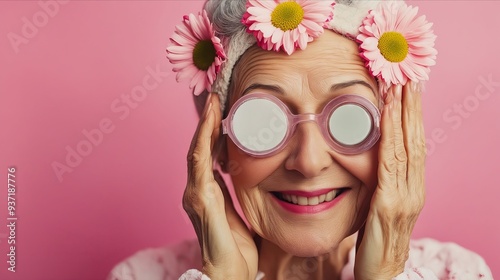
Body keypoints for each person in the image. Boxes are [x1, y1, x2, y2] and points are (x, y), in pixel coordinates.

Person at [107, 0, 493, 279]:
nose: (308, 162)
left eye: (350, 119)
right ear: (217, 145)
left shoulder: (457, 274)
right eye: (263, 121)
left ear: (398, 141)